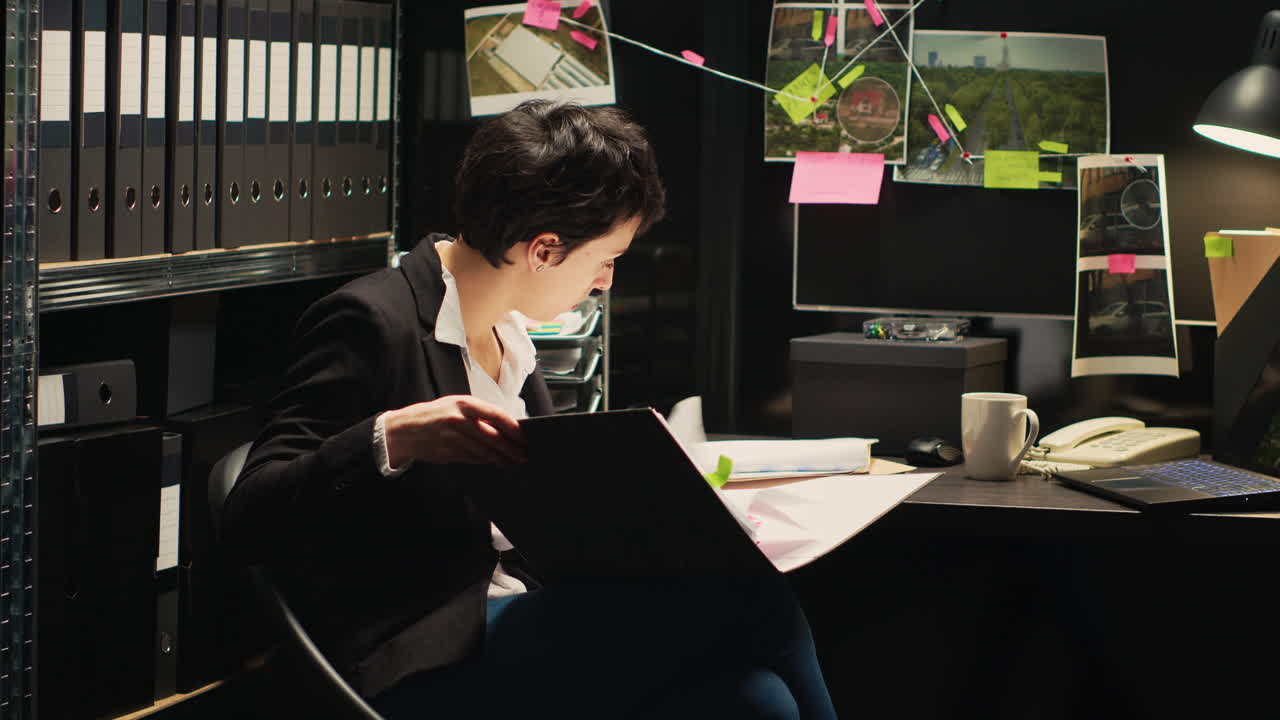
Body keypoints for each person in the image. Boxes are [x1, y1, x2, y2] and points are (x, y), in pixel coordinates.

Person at [222, 99, 837, 719]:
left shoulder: (510, 335)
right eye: (606, 260)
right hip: (422, 651)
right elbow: (247, 517)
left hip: (517, 616)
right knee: (758, 601)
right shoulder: (371, 321)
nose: (606, 282)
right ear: (543, 251)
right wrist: (391, 438)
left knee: (758, 703)